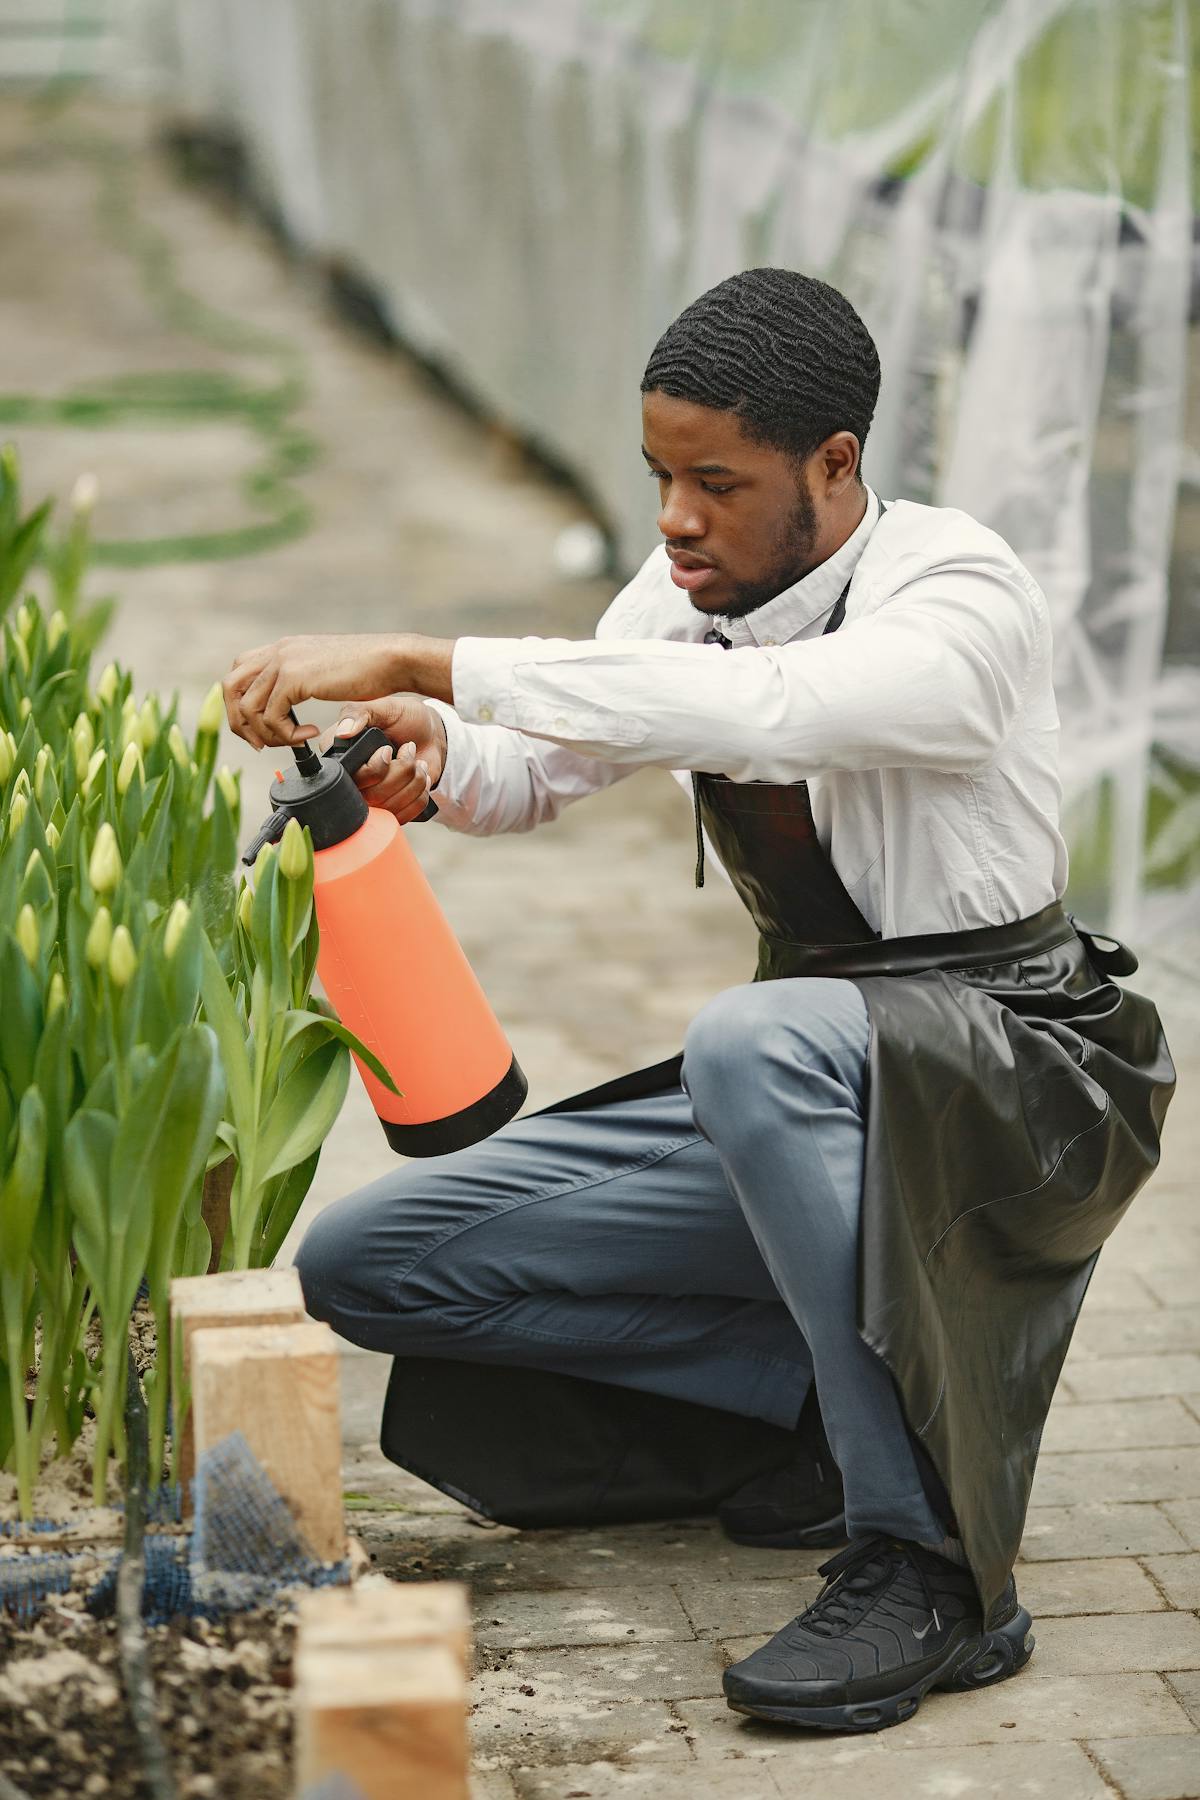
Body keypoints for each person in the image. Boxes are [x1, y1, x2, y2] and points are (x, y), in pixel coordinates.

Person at [223, 268, 1175, 1735]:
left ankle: (930, 1564)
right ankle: (807, 1403)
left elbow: (782, 710)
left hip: (1021, 1074)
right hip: (810, 1082)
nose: (674, 518)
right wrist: (433, 749)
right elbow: (539, 765)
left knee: (749, 1035)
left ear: (833, 465)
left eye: (714, 482)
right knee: (370, 1263)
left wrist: (431, 653)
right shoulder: (685, 592)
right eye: (660, 475)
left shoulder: (960, 590)